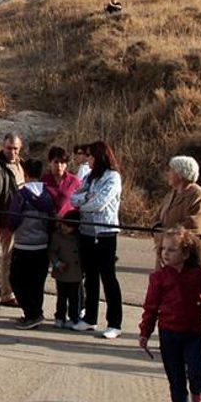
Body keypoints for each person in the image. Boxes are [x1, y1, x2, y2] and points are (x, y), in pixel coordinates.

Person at [139, 227, 201, 402]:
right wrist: (145, 332)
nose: (165, 254)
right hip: (168, 334)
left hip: (194, 333)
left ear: (185, 254)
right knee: (176, 379)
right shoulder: (158, 278)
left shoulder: (196, 274)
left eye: (171, 249)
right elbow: (151, 308)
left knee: (196, 370)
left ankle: (198, 395)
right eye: (163, 249)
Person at [69, 140, 124, 338]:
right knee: (90, 277)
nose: (87, 159)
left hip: (105, 233)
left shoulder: (113, 177)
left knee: (108, 278)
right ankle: (90, 317)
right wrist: (85, 198)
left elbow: (99, 204)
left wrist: (84, 201)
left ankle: (114, 323)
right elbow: (73, 197)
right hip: (86, 232)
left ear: (99, 157)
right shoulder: (90, 177)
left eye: (90, 156)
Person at [8, 159, 56, 329]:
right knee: (37, 282)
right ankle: (36, 311)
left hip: (23, 245)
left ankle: (32, 313)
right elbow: (51, 221)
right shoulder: (47, 195)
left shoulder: (21, 195)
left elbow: (13, 220)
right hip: (42, 245)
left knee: (17, 280)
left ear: (25, 173)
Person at [0, 134, 25, 306]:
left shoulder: (20, 164)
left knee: (17, 257)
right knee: (8, 256)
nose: (12, 151)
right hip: (6, 218)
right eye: (9, 148)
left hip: (21, 218)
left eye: (15, 148)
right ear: (3, 147)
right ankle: (6, 295)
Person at [155, 156, 201, 274]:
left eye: (171, 170)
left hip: (187, 258)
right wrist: (156, 230)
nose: (168, 174)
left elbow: (194, 225)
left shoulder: (198, 195)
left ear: (180, 174)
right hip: (167, 255)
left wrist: (168, 234)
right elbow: (157, 217)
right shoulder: (171, 194)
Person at [50, 209, 83, 329]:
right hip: (61, 272)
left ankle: (74, 317)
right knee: (61, 297)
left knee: (75, 298)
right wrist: (57, 263)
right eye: (64, 224)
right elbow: (52, 252)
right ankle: (60, 317)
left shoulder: (79, 238)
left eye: (69, 227)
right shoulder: (57, 236)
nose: (65, 228)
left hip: (75, 273)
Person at [41, 146, 81, 218]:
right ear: (50, 163)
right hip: (48, 222)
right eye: (56, 162)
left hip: (69, 223)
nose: (59, 165)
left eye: (62, 162)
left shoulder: (74, 181)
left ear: (66, 164)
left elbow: (80, 203)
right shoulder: (44, 181)